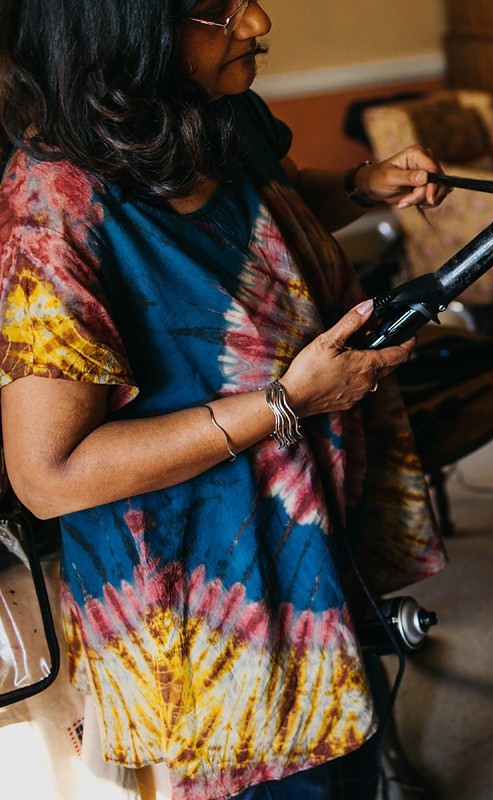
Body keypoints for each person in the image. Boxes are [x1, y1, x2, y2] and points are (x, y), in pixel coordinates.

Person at [0, 1, 450, 798]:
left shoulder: (220, 110)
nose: (255, 20)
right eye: (214, 10)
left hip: (308, 514)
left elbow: (274, 202)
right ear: (120, 32)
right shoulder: (53, 209)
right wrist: (286, 403)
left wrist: (361, 187)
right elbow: (50, 474)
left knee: (345, 741)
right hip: (203, 593)